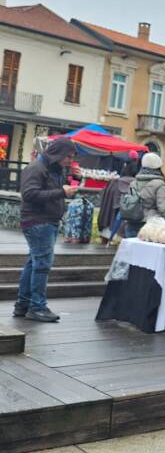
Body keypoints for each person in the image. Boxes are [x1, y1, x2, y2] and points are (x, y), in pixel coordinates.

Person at [15, 137, 78, 322]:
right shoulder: (36, 168)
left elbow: (56, 190)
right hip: (38, 222)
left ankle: (23, 305)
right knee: (42, 265)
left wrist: (76, 178)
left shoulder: (52, 168)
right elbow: (29, 194)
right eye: (68, 156)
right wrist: (62, 192)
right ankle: (37, 307)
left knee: (33, 263)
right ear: (57, 152)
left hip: (44, 221)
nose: (70, 160)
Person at [123, 153, 165, 238]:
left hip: (131, 223)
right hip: (149, 227)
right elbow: (163, 208)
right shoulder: (160, 184)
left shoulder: (133, 183)